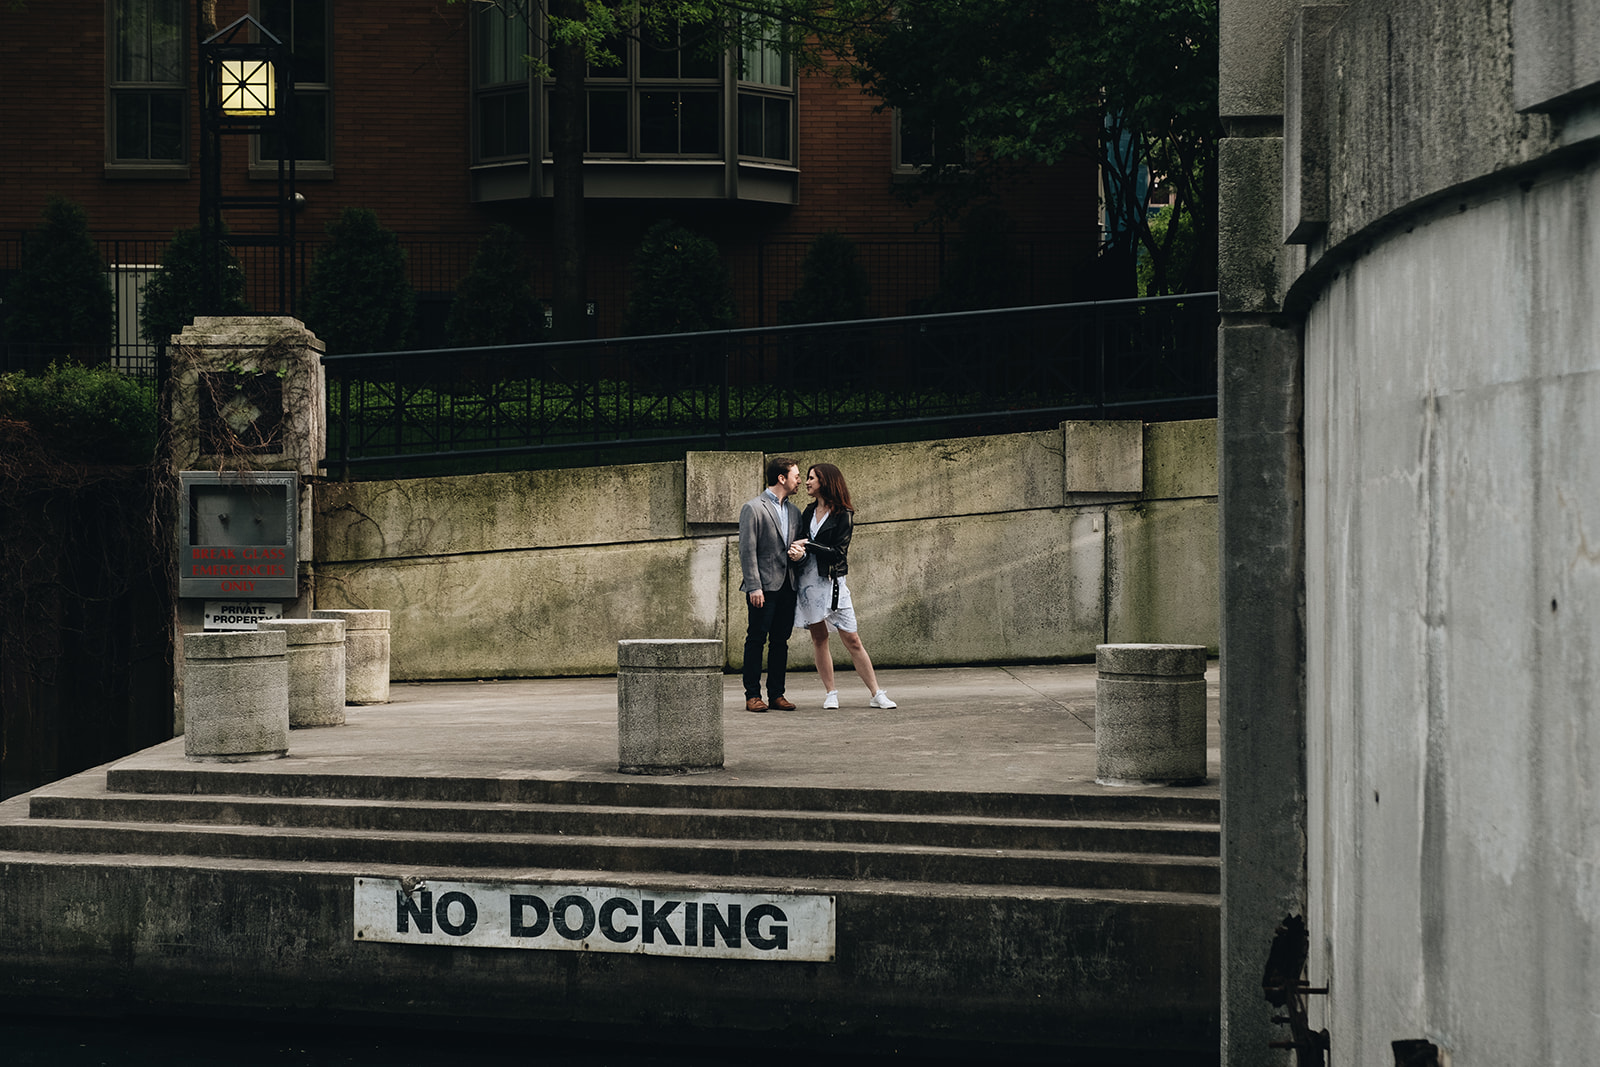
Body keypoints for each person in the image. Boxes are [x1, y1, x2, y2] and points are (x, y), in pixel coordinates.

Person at [793, 462, 896, 709]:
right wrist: (799, 552)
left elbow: (839, 553)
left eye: (811, 478)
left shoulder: (844, 514)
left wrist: (807, 545)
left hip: (833, 583)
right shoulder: (807, 512)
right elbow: (804, 548)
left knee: (852, 639)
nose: (807, 482)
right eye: (806, 478)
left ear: (825, 481)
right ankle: (831, 693)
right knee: (819, 638)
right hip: (808, 583)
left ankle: (876, 692)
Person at [738, 456, 807, 712]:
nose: (799, 480)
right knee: (756, 639)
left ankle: (777, 694)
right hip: (763, 587)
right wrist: (754, 586)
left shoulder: (794, 511)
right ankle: (752, 695)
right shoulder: (753, 508)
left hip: (788, 585)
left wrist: (801, 555)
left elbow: (801, 545)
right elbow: (747, 551)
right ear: (782, 478)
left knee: (781, 641)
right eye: (796, 476)